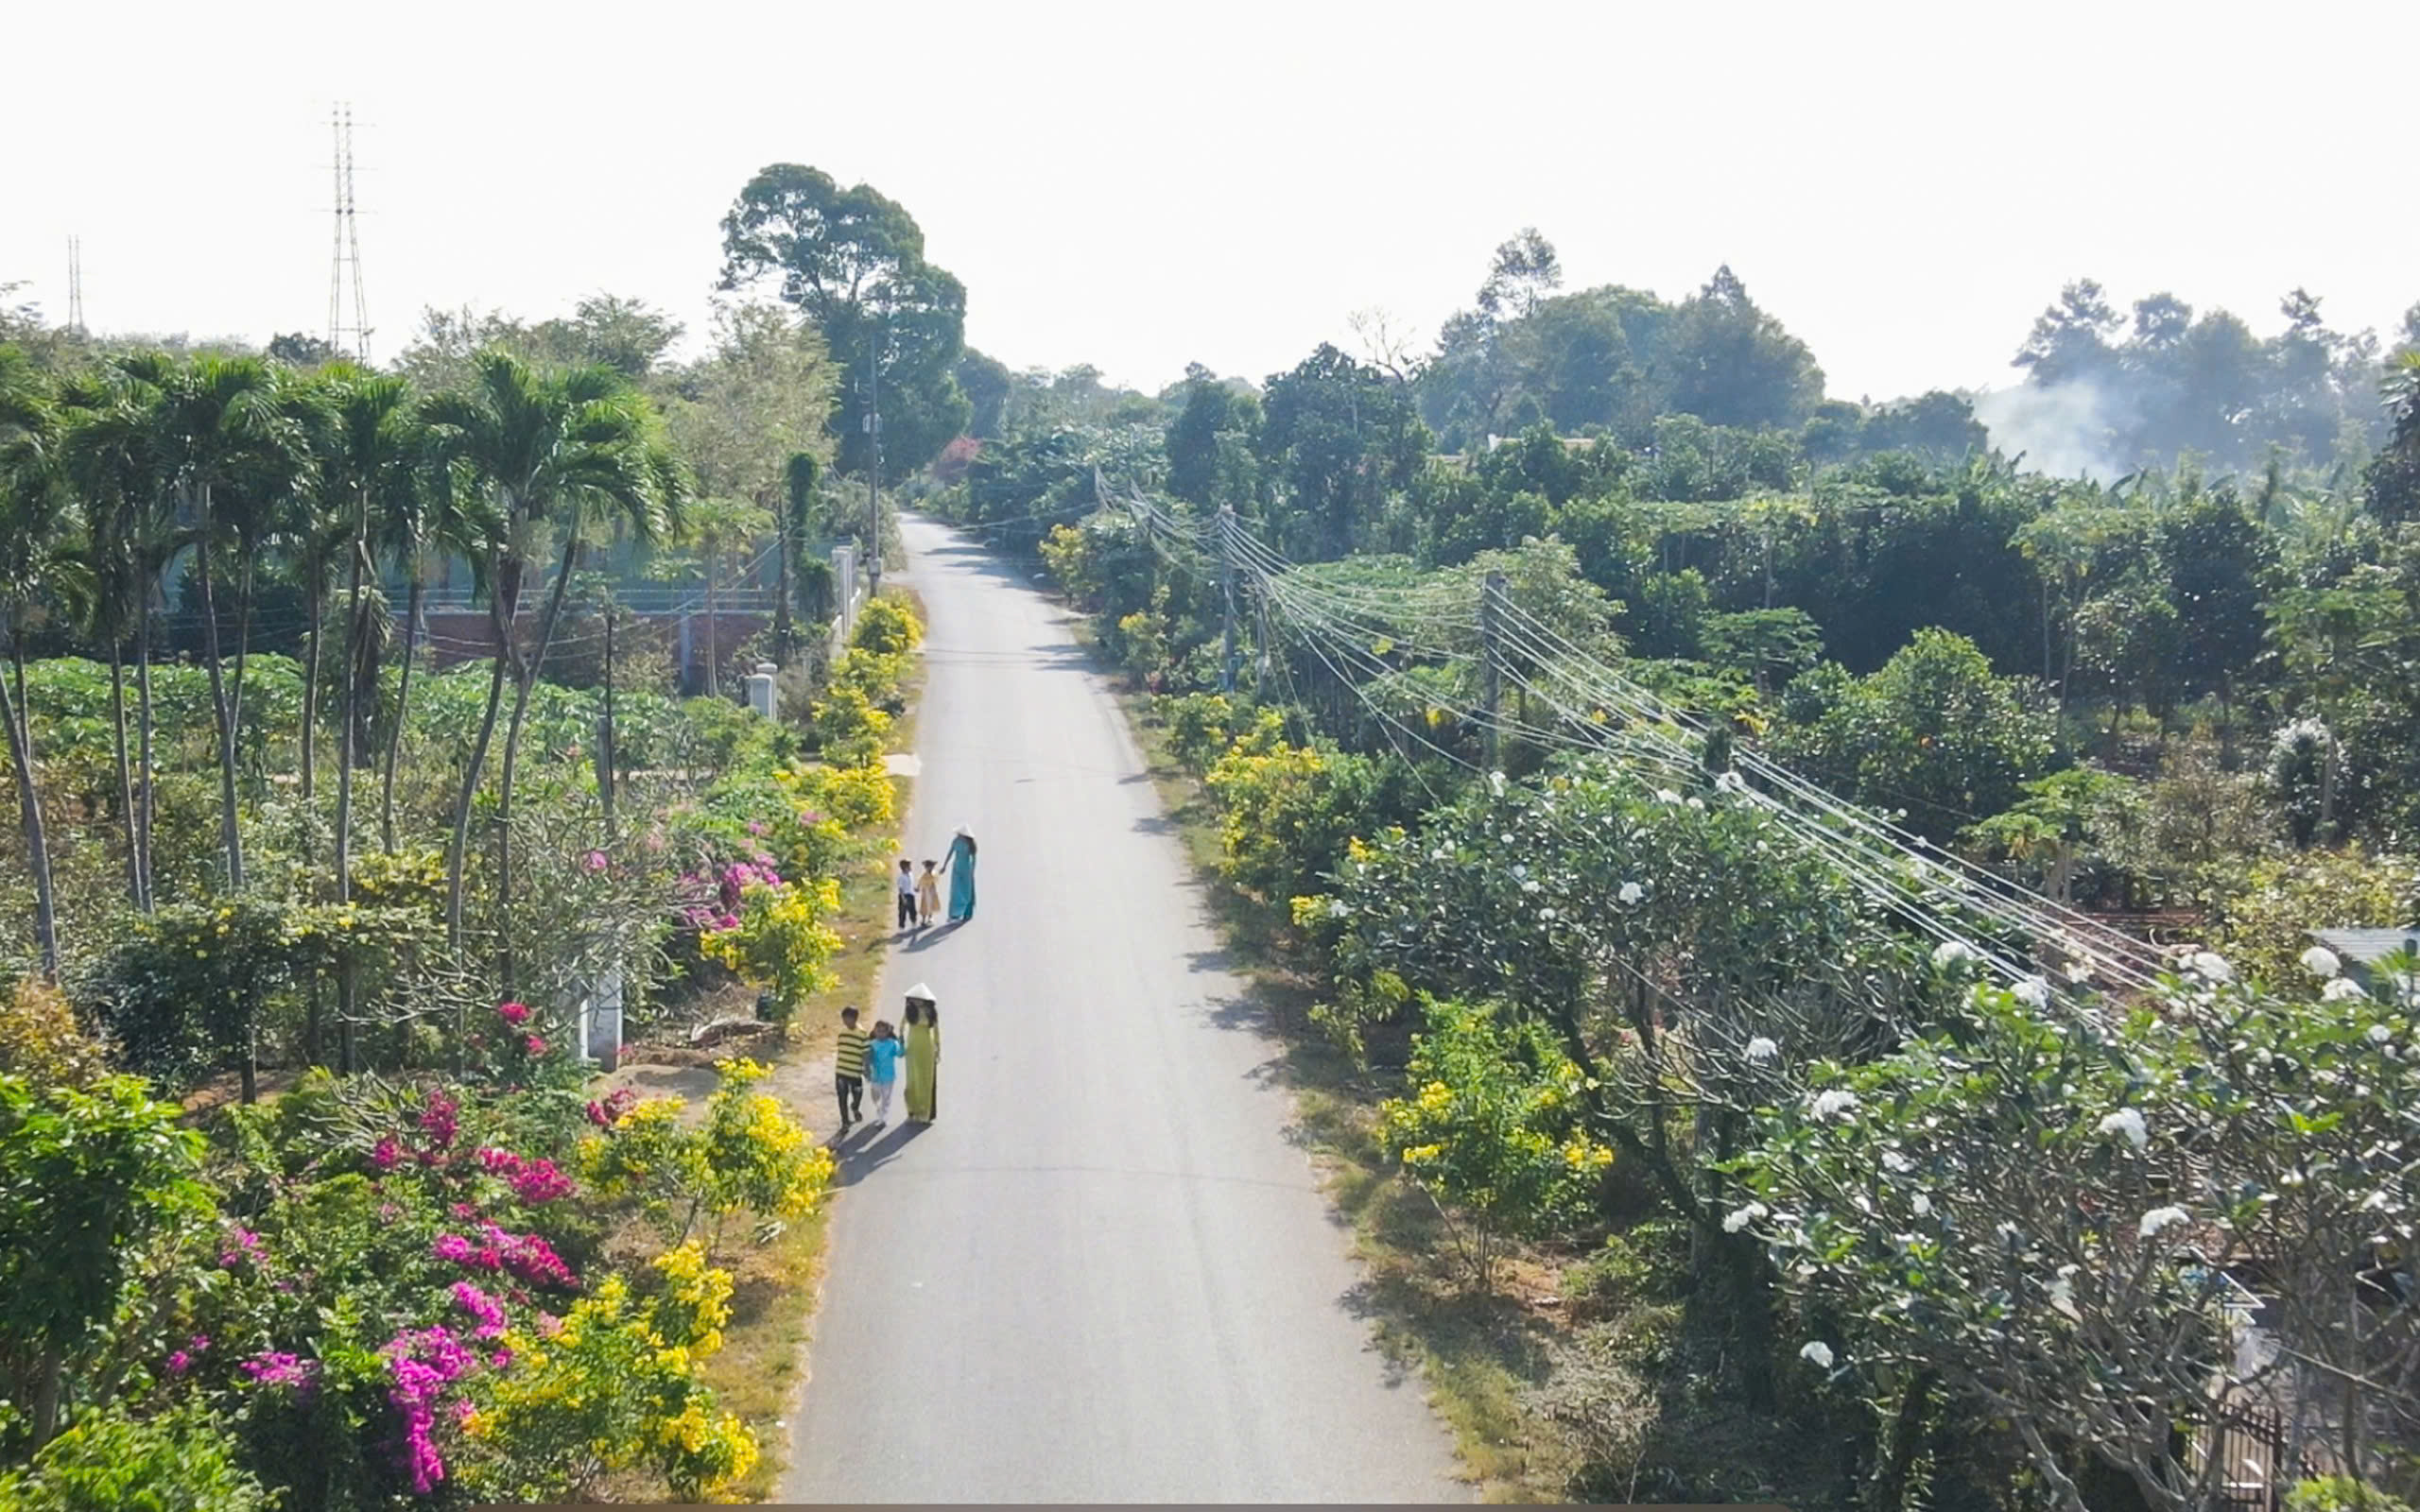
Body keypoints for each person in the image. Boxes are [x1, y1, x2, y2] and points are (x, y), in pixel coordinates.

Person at [902, 988, 940, 1123]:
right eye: (914, 999)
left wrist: (938, 1048)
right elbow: (901, 1027)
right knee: (912, 1079)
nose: (916, 1001)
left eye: (919, 999)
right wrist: (900, 1042)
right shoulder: (909, 1012)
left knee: (925, 1079)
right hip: (912, 1047)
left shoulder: (930, 1013)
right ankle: (912, 1110)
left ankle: (925, 1111)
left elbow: (936, 1031)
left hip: (927, 1047)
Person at [834, 1006, 869, 1133]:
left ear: (854, 1019)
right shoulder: (842, 1032)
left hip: (855, 1071)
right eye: (844, 1019)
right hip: (841, 1071)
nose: (845, 1022)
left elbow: (865, 1053)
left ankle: (855, 1107)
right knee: (841, 1096)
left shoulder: (862, 1034)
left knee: (858, 1093)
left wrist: (865, 1068)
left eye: (848, 1019)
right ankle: (845, 1122)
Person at [865, 1020, 902, 1124]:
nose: (880, 1034)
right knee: (875, 1096)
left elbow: (899, 1053)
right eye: (878, 1031)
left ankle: (883, 1115)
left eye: (883, 1031)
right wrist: (866, 1069)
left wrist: (900, 1042)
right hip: (875, 1075)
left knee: (886, 1097)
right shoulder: (872, 1044)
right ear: (875, 1031)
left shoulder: (892, 1044)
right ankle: (878, 1108)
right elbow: (867, 1058)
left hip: (888, 1076)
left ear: (887, 1032)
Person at [940, 827, 977, 923]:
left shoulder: (967, 844)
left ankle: (964, 913)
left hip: (962, 868)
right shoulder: (963, 842)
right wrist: (944, 865)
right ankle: (956, 914)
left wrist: (945, 865)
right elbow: (950, 853)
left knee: (963, 891)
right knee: (959, 891)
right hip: (961, 868)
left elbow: (973, 859)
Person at [916, 859, 942, 927]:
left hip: (932, 891)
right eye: (929, 866)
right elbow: (920, 882)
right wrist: (918, 888)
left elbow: (936, 879)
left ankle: (930, 918)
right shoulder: (924, 875)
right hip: (926, 891)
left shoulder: (934, 873)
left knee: (931, 904)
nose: (930, 868)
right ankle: (923, 919)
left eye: (932, 866)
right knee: (924, 905)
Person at [894, 857, 918, 931]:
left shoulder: (911, 874)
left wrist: (915, 888)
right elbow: (900, 888)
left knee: (912, 910)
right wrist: (903, 898)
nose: (911, 867)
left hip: (911, 894)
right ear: (904, 868)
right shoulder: (901, 877)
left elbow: (911, 884)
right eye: (909, 866)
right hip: (905, 895)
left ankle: (913, 921)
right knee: (902, 911)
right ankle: (901, 926)